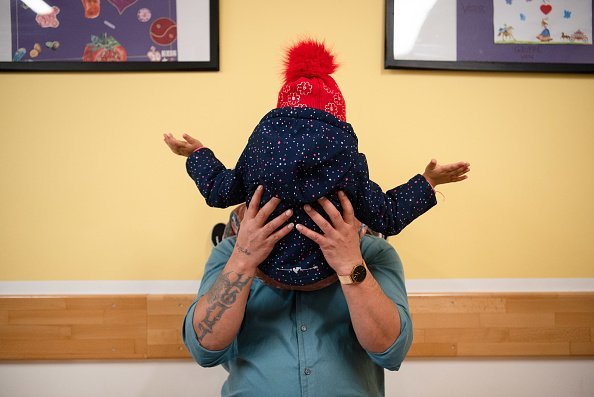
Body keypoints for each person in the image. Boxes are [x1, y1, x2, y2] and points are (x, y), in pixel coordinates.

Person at [164, 39, 470, 290]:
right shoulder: (348, 157)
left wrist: (198, 154)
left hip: (269, 271)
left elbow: (219, 191)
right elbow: (388, 214)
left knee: (243, 211)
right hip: (324, 274)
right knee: (363, 219)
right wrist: (429, 183)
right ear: (338, 118)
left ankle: (229, 238)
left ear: (281, 111)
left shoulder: (260, 147)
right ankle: (363, 239)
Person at [182, 185, 414, 396]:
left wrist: (350, 265)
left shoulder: (374, 254)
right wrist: (243, 260)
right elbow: (204, 349)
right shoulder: (230, 253)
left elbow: (391, 352)